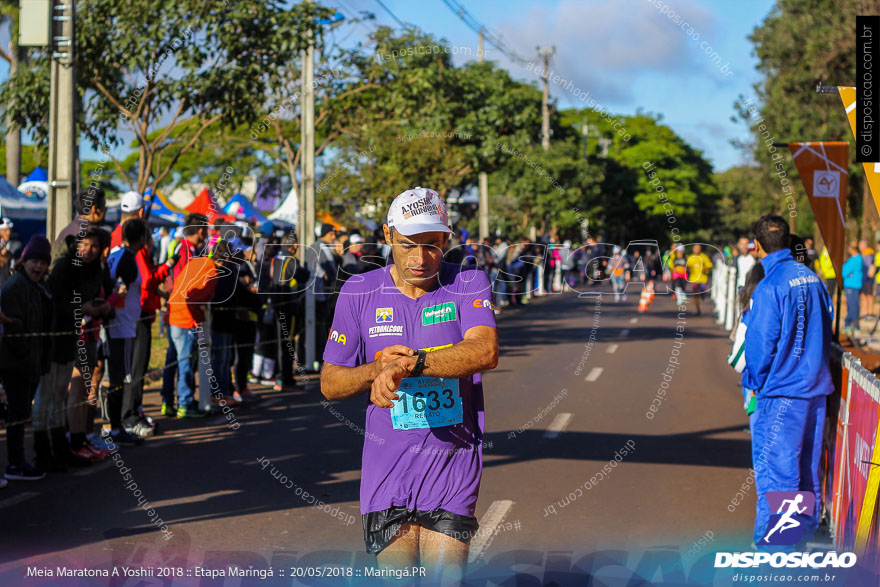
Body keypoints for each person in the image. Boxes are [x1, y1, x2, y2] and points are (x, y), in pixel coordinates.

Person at [320, 187, 499, 583]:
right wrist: (374, 370)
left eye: (432, 246)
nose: (420, 259)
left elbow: (485, 351)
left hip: (451, 469)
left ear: (447, 240)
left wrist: (413, 365)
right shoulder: (359, 291)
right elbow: (330, 383)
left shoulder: (468, 282)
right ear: (387, 236)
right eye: (408, 245)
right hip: (386, 475)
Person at [743, 214, 833, 550]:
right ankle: (801, 537)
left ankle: (779, 550)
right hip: (815, 391)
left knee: (780, 473)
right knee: (806, 469)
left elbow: (760, 344)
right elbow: (827, 328)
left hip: (782, 393)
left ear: (757, 246)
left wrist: (754, 382)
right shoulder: (811, 279)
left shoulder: (770, 286)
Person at [1, 236, 53, 481]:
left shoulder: (35, 287)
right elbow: (13, 329)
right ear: (24, 260)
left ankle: (19, 460)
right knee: (17, 414)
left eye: (43, 262)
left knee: (21, 414)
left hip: (29, 362)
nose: (38, 267)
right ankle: (14, 463)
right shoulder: (15, 286)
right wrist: (24, 354)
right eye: (34, 260)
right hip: (16, 364)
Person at [167, 239, 234, 418]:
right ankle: (185, 404)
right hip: (185, 320)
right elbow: (194, 299)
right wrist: (200, 316)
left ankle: (172, 402)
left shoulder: (197, 261)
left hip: (173, 313)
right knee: (185, 365)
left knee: (176, 363)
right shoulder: (212, 272)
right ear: (226, 258)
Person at [104, 218, 149, 443]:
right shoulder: (128, 259)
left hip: (117, 323)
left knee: (116, 377)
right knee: (121, 378)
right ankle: (116, 427)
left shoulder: (114, 254)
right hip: (122, 326)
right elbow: (121, 287)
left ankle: (114, 425)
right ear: (141, 238)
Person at [160, 213, 208, 416]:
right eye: (205, 230)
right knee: (184, 360)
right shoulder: (187, 249)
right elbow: (186, 283)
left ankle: (167, 402)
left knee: (173, 358)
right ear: (200, 230)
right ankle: (184, 404)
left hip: (174, 309)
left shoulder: (179, 246)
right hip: (182, 312)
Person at [53, 188, 107, 261]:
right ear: (94, 209)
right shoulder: (90, 234)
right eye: (104, 207)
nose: (105, 210)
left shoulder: (69, 229)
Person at [842, 242, 863, 335]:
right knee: (852, 306)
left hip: (852, 285)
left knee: (853, 306)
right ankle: (851, 325)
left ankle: (852, 326)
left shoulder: (857, 259)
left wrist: (847, 272)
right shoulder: (853, 259)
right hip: (851, 285)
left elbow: (844, 271)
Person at [686, 244, 713, 315]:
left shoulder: (704, 257)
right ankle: (698, 309)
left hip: (702, 279)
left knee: (702, 293)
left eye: (698, 249)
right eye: (695, 249)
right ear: (693, 250)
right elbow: (687, 266)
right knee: (695, 294)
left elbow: (709, 265)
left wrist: (704, 269)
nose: (697, 250)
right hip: (694, 279)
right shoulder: (691, 257)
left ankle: (703, 296)